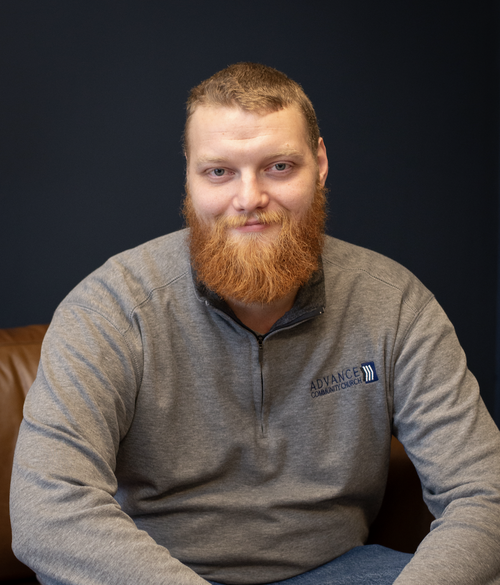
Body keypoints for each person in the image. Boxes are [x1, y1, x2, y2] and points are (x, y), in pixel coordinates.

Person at [10, 63, 500, 585]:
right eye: (219, 172)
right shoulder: (112, 308)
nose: (249, 200)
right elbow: (47, 508)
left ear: (320, 164)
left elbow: (483, 492)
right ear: (189, 176)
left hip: (338, 571)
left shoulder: (395, 304)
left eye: (279, 167)